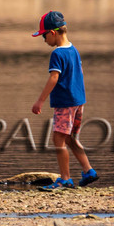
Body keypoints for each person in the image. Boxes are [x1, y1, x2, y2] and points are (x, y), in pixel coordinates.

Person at [29, 10, 97, 190]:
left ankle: (65, 178)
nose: (44, 41)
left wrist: (40, 101)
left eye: (44, 36)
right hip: (78, 101)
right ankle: (88, 170)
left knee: (58, 140)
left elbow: (54, 78)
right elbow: (79, 75)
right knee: (70, 138)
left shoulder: (57, 54)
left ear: (52, 33)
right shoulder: (74, 49)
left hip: (65, 103)